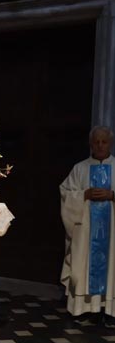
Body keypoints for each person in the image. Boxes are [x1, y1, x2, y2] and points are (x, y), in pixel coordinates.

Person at [60, 126, 115, 328]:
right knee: (83, 264)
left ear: (110, 144)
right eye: (96, 142)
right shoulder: (80, 169)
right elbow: (65, 192)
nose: (100, 145)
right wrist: (83, 195)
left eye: (104, 142)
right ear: (91, 144)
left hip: (111, 233)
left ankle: (109, 311)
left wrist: (112, 195)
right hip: (85, 231)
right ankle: (83, 309)